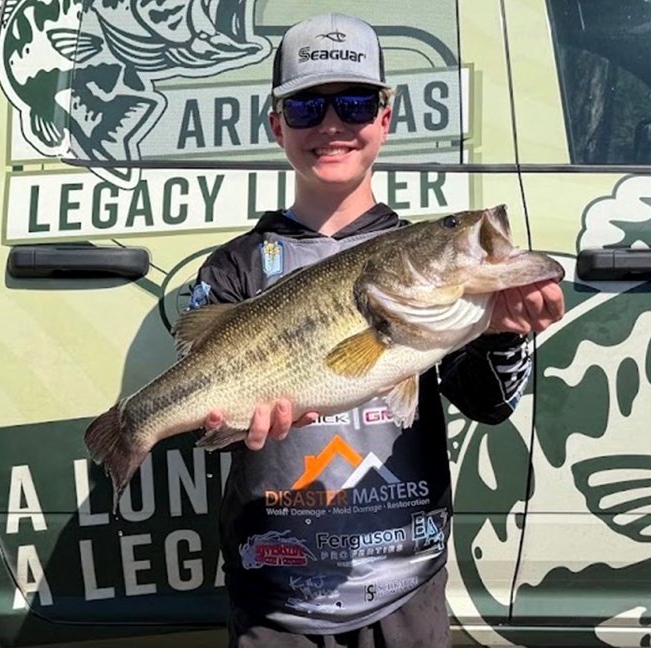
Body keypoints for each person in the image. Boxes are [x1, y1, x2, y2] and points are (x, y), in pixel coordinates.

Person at [185, 12, 565, 648]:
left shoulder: (424, 271)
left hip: (405, 585)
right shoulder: (236, 267)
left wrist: (501, 333)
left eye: (355, 103)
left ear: (385, 118)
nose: (332, 124)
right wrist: (229, 429)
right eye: (306, 107)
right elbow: (212, 424)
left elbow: (489, 404)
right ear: (276, 124)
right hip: (274, 589)